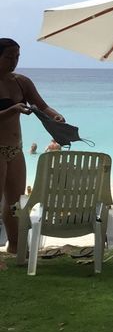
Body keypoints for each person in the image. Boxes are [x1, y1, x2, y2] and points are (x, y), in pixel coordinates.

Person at [0, 38, 65, 252]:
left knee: (15, 204)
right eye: (9, 57)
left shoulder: (21, 82)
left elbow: (42, 106)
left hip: (15, 148)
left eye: (17, 57)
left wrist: (56, 117)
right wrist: (12, 110)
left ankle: (16, 248)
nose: (14, 62)